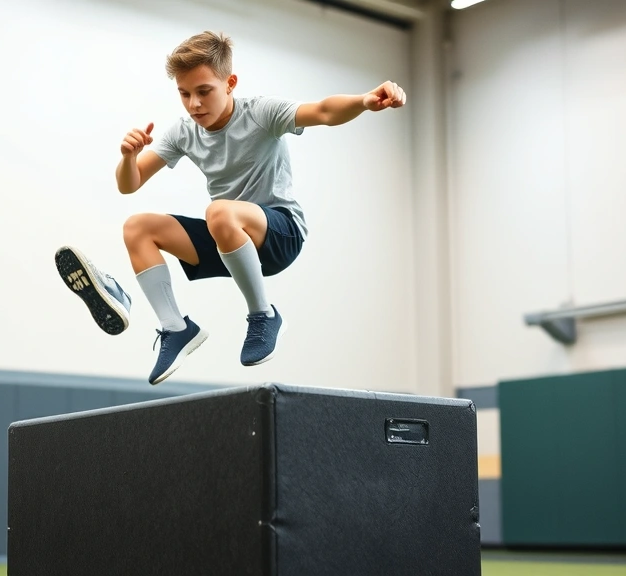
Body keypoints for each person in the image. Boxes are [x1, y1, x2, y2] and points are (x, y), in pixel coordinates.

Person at [56, 30, 406, 385]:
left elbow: (324, 111)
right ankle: (176, 329)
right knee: (137, 227)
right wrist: (129, 158)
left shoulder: (261, 113)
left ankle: (263, 315)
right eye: (184, 94)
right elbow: (128, 184)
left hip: (280, 235)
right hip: (229, 241)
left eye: (204, 91)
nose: (194, 104)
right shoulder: (184, 132)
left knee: (219, 211)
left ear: (230, 83)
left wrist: (364, 101)